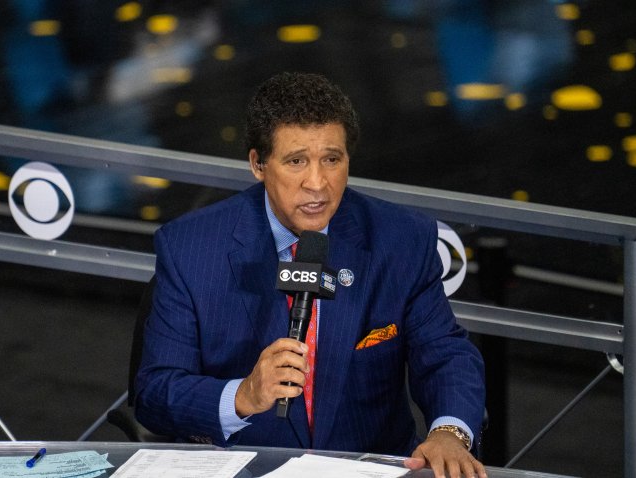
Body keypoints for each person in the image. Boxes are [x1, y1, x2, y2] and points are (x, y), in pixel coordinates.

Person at [136, 72, 487, 478]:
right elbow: (155, 392)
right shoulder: (190, 248)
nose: (317, 184)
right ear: (258, 164)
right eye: (296, 161)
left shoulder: (402, 239)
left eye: (332, 160)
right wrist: (242, 396)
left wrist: (449, 431)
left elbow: (446, 355)